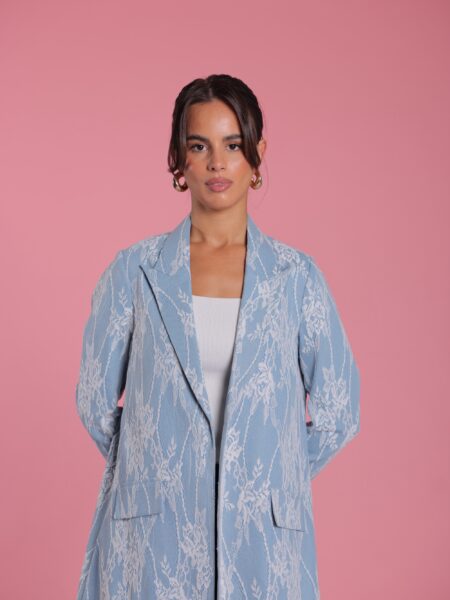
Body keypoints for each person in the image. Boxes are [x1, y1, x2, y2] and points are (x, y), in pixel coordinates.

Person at [75, 74, 360, 600]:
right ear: (178, 159)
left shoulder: (296, 278)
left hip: (261, 538)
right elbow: (94, 400)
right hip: (156, 534)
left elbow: (340, 411)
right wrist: (159, 466)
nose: (216, 163)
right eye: (198, 145)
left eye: (232, 145)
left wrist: (257, 478)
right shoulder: (134, 272)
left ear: (257, 155)